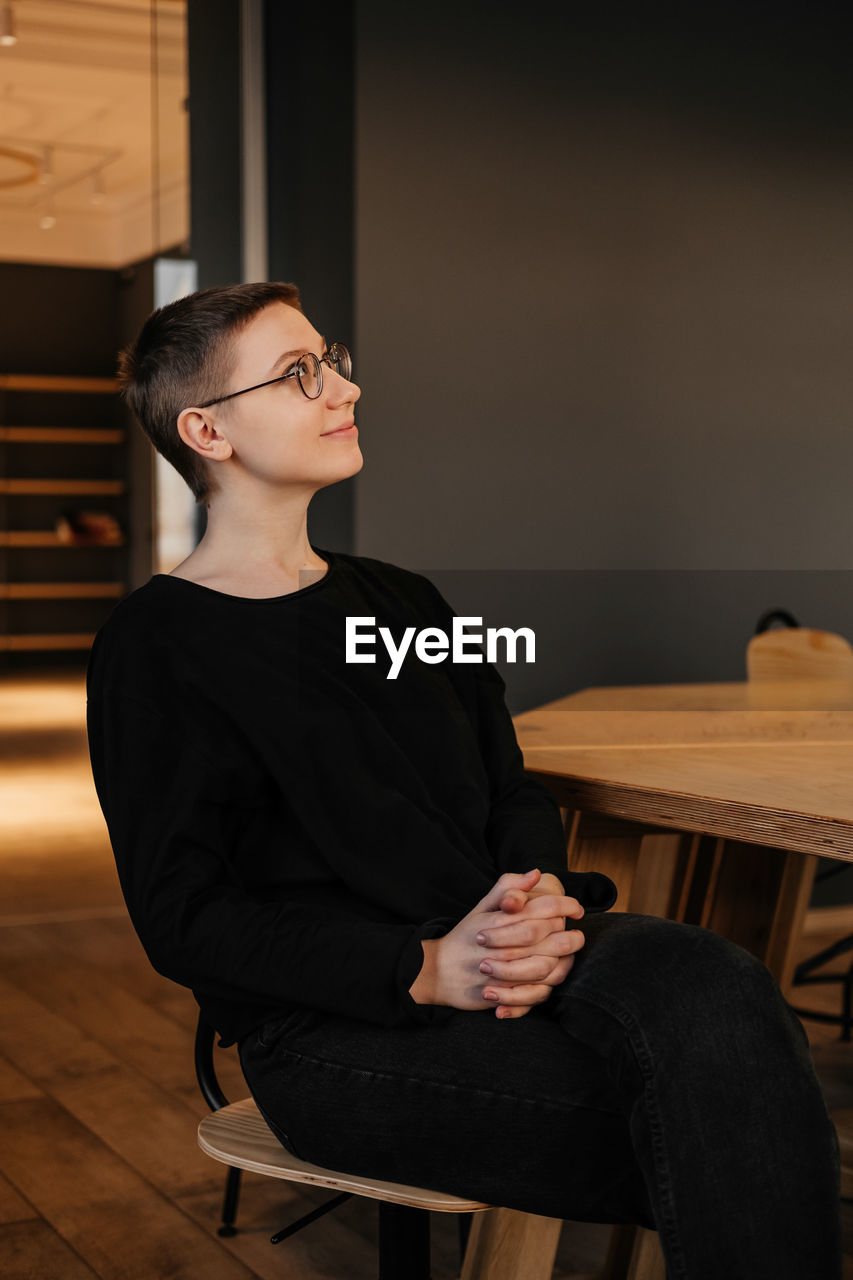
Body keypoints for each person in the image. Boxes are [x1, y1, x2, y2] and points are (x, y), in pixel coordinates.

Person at [86, 281, 841, 1279]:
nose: (343, 386)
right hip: (341, 1022)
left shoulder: (404, 598)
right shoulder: (156, 645)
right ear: (207, 431)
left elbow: (508, 784)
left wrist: (535, 893)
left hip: (509, 937)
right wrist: (427, 963)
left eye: (333, 357)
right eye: (300, 373)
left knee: (721, 990)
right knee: (732, 1106)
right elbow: (186, 917)